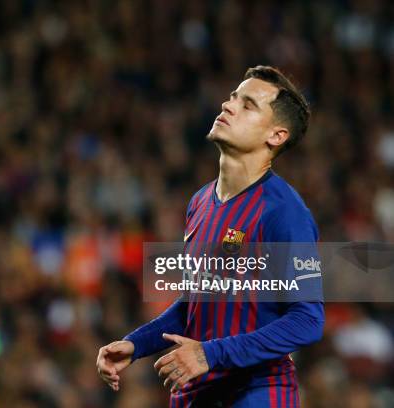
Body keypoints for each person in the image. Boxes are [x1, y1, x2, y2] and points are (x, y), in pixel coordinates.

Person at [96, 66, 325, 407]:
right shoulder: (200, 202)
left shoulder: (284, 212)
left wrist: (210, 353)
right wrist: (137, 343)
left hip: (256, 392)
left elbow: (308, 319)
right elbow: (198, 301)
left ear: (276, 136)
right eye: (233, 97)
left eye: (248, 105)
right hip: (195, 392)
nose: (228, 105)